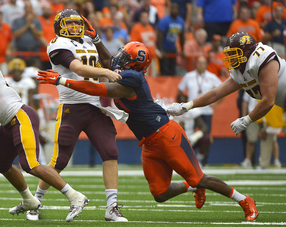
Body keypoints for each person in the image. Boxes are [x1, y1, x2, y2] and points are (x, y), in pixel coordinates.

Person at [37, 41, 259, 221]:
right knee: (160, 194)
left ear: (134, 64)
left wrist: (63, 81)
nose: (120, 58)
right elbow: (107, 62)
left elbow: (99, 87)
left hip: (166, 134)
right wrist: (96, 39)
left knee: (199, 177)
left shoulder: (132, 78)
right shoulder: (127, 72)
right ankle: (190, 186)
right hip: (149, 142)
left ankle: (243, 199)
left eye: (125, 56)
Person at [26, 9, 127, 222]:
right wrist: (105, 73)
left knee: (111, 152)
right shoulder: (58, 43)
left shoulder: (88, 41)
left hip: (95, 106)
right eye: (69, 24)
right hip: (71, 107)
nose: (74, 27)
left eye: (76, 23)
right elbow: (79, 69)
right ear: (60, 26)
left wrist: (97, 39)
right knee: (59, 161)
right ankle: (35, 202)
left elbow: (109, 62)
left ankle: (112, 207)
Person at [0, 54, 88, 222]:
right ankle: (29, 200)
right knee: (0, 164)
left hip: (20, 116)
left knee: (30, 164)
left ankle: (75, 196)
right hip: (6, 123)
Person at [166, 32, 286, 138]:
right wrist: (186, 106)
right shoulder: (240, 70)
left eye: (234, 53)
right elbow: (215, 93)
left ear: (248, 51)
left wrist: (247, 119)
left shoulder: (261, 59)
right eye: (229, 54)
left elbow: (268, 101)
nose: (230, 58)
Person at [177, 55, 222, 166]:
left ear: (206, 64)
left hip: (206, 111)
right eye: (198, 63)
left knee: (206, 136)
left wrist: (216, 104)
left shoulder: (211, 76)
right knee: (189, 135)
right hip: (191, 111)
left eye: (202, 63)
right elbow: (179, 90)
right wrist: (183, 104)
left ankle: (203, 161)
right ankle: (186, 159)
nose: (200, 65)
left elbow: (222, 89)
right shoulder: (189, 76)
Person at [157, 2, 185, 76]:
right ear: (170, 9)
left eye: (176, 9)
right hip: (165, 48)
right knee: (164, 70)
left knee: (172, 70)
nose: (174, 10)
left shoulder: (180, 21)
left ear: (178, 10)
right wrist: (160, 49)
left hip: (173, 48)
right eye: (173, 8)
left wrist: (182, 49)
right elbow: (160, 36)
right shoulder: (165, 20)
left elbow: (182, 36)